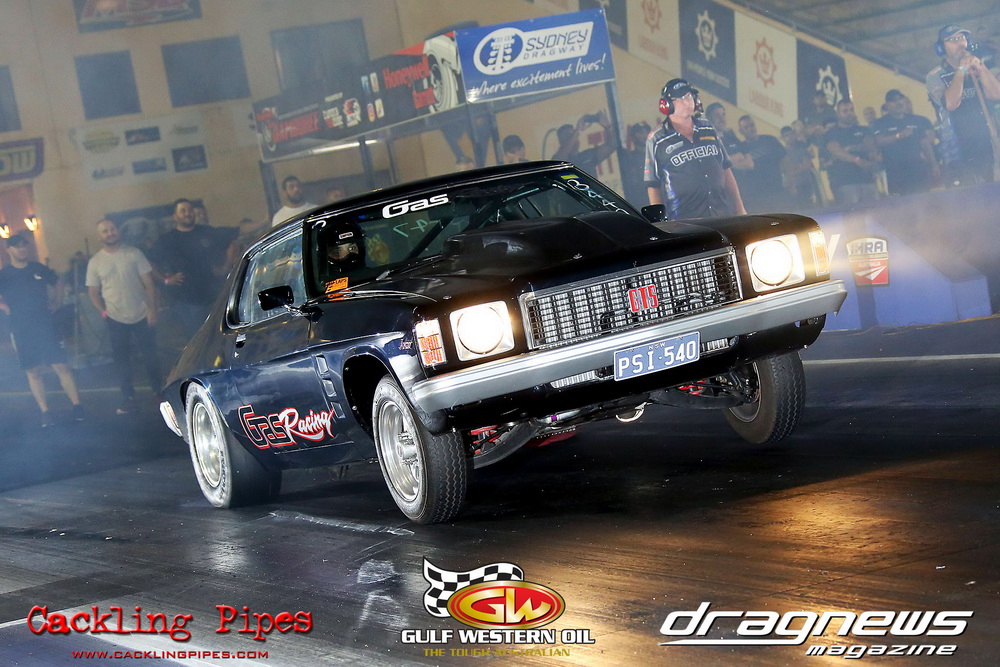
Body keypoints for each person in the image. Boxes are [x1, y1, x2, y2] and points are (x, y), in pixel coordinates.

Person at [0, 234, 84, 426]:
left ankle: (77, 406)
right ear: (9, 250)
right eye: (17, 246)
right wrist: (4, 307)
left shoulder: (37, 268)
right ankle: (45, 411)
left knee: (61, 365)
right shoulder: (4, 275)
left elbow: (59, 281)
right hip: (21, 328)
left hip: (46, 324)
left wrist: (58, 302)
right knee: (33, 370)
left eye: (24, 245)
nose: (22, 249)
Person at [86, 219, 163, 414]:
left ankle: (158, 392)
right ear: (99, 236)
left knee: (151, 356)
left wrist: (152, 309)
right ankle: (128, 398)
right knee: (122, 360)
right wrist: (102, 310)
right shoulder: (95, 262)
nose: (109, 233)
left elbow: (149, 283)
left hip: (142, 313)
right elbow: (93, 292)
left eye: (112, 229)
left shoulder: (134, 253)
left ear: (118, 231)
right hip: (115, 317)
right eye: (105, 231)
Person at [644, 79, 746, 220]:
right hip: (684, 221)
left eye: (689, 96)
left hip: (721, 214)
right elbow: (653, 184)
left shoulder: (707, 128)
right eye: (680, 98)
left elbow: (725, 169)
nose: (687, 102)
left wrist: (739, 207)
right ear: (667, 105)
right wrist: (659, 222)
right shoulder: (657, 139)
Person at [926, 25, 1000, 185]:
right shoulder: (935, 75)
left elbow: (996, 95)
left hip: (989, 144)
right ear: (941, 47)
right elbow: (951, 104)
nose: (959, 43)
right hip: (958, 150)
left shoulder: (978, 67)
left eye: (962, 38)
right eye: (952, 40)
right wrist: (961, 71)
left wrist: (981, 68)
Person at [150, 198, 234, 337]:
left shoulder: (206, 231)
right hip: (187, 300)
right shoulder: (167, 239)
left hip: (215, 297)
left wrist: (225, 267)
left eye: (189, 210)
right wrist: (165, 280)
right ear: (175, 216)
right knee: (198, 338)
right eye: (183, 211)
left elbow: (231, 244)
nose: (187, 213)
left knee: (222, 336)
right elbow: (150, 263)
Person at [870, 89, 938, 196]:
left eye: (900, 99)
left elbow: (925, 143)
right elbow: (879, 141)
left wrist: (934, 164)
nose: (898, 103)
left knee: (924, 199)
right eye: (893, 101)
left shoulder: (916, 120)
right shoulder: (881, 123)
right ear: (887, 105)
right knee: (900, 203)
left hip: (918, 170)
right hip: (896, 172)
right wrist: (899, 136)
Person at [824, 99, 881, 205]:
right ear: (838, 114)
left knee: (874, 211)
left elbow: (871, 145)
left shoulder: (864, 129)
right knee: (852, 213)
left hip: (867, 179)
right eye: (845, 111)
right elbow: (836, 151)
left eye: (851, 110)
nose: (849, 113)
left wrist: (851, 148)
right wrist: (856, 159)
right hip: (846, 182)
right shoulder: (832, 133)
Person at [736, 114, 787, 212]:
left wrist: (790, 181)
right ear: (741, 131)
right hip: (757, 197)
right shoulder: (740, 148)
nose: (750, 129)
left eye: (752, 125)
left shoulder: (770, 140)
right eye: (746, 127)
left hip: (777, 191)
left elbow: (784, 160)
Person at [552, 110, 617, 175]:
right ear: (561, 142)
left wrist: (608, 126)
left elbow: (612, 145)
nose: (572, 138)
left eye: (572, 134)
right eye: (568, 136)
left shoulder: (587, 155)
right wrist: (577, 131)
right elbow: (560, 159)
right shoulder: (557, 160)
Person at [780, 125, 821, 208]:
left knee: (811, 206)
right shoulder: (782, 153)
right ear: (783, 138)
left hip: (807, 182)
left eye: (791, 134)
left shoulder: (802, 148)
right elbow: (786, 170)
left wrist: (796, 169)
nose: (790, 137)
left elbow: (808, 164)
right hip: (794, 185)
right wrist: (798, 168)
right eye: (787, 135)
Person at [619, 122, 651, 208]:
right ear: (633, 137)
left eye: (646, 132)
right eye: (640, 133)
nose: (644, 135)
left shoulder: (656, 155)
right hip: (640, 201)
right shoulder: (629, 158)